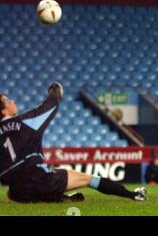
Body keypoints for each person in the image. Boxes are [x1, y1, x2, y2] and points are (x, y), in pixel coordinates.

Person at [0, 83, 148, 203]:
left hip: (18, 190)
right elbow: (52, 103)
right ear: (3, 110)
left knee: (13, 193)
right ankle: (133, 195)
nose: (12, 101)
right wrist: (55, 89)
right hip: (39, 177)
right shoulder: (26, 122)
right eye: (7, 100)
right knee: (90, 179)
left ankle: (60, 198)